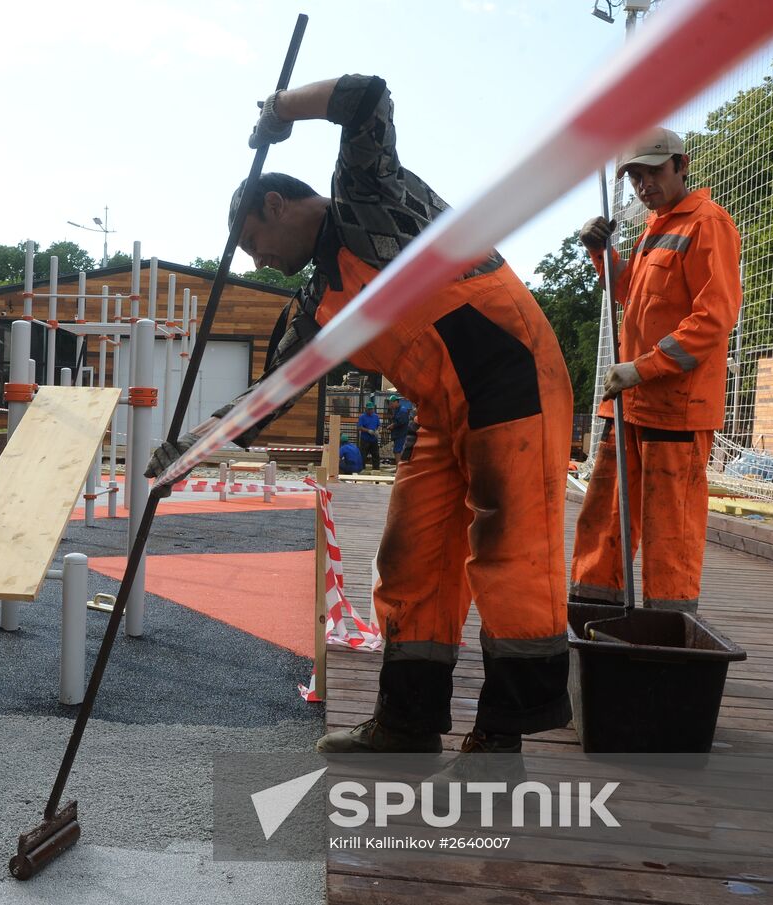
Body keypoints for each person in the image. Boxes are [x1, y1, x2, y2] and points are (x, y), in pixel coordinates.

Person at [147, 74, 574, 768]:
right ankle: (407, 722)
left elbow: (368, 96)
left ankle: (501, 741)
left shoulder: (367, 198)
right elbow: (270, 395)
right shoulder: (319, 303)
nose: (259, 262)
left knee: (508, 554)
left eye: (255, 241)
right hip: (442, 410)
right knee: (410, 558)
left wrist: (279, 110)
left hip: (510, 376)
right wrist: (188, 451)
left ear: (277, 203)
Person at [571, 128, 741, 615]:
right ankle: (589, 616)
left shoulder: (708, 225)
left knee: (672, 533)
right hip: (632, 405)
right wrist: (600, 254)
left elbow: (714, 318)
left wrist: (642, 369)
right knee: (604, 520)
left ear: (681, 165)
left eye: (653, 172)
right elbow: (633, 296)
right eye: (635, 177)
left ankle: (667, 636)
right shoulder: (654, 228)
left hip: (675, 411)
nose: (644, 185)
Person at [356, 401, 382, 471]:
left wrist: (378, 430)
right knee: (363, 456)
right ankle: (362, 469)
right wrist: (368, 430)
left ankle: (376, 470)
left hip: (374, 439)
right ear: (366, 409)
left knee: (376, 455)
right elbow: (359, 427)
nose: (371, 410)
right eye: (369, 409)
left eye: (372, 409)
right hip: (365, 440)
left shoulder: (376, 416)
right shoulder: (362, 417)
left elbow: (379, 425)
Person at [387, 397, 412, 465]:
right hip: (398, 434)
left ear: (396, 402)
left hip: (401, 434)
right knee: (397, 451)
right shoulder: (397, 410)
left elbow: (402, 422)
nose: (391, 405)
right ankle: (398, 467)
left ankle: (399, 468)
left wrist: (393, 426)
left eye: (392, 403)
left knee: (398, 451)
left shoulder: (402, 410)